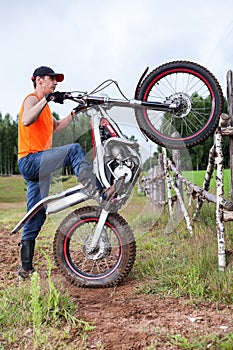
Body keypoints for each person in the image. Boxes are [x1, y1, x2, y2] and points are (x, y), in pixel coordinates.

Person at [17, 66, 114, 279]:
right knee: (74, 150)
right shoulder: (31, 99)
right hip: (31, 160)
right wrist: (48, 99)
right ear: (39, 80)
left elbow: (57, 127)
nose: (55, 83)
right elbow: (26, 119)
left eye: (56, 81)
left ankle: (25, 268)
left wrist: (75, 112)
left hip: (38, 167)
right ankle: (92, 186)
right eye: (51, 79)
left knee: (37, 213)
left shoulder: (45, 108)